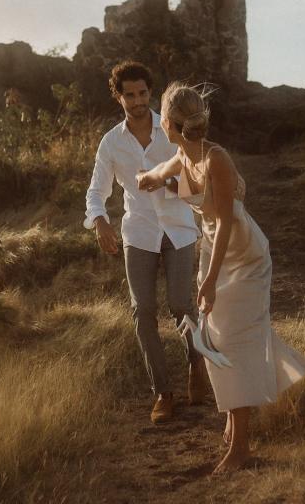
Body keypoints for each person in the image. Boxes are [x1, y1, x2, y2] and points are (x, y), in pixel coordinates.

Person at [136, 82, 305, 474]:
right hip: (213, 253)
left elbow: (228, 222)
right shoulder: (182, 158)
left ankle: (242, 448)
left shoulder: (217, 158)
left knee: (235, 342)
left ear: (167, 123)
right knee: (217, 342)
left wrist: (211, 280)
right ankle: (234, 427)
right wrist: (143, 180)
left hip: (243, 257)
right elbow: (155, 175)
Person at [84, 61, 211, 424]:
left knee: (180, 304)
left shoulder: (171, 128)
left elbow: (198, 179)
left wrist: (166, 184)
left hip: (179, 228)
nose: (137, 101)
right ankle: (162, 392)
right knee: (143, 313)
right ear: (118, 96)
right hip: (138, 232)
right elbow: (97, 190)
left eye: (142, 93)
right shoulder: (111, 142)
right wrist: (100, 221)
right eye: (129, 95)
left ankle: (196, 363)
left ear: (150, 93)